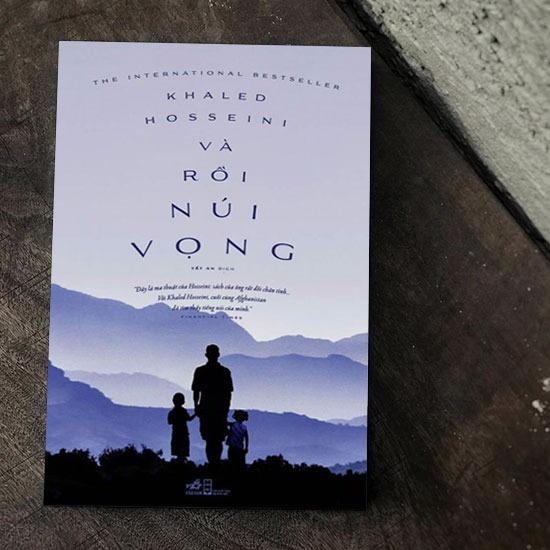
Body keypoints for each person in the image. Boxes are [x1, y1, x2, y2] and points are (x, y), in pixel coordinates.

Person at [191, 344, 234, 464]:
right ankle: (215, 463)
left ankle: (212, 463)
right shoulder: (225, 372)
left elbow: (196, 391)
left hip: (206, 409)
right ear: (218, 355)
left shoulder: (200, 371)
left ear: (206, 355)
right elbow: (228, 394)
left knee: (209, 439)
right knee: (217, 439)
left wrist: (196, 406)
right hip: (219, 409)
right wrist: (226, 408)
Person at [167, 392, 195, 461]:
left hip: (175, 433)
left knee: (178, 451)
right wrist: (196, 414)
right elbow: (189, 419)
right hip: (183, 433)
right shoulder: (183, 411)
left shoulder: (172, 412)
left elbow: (169, 422)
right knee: (182, 451)